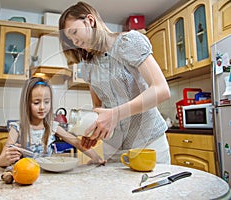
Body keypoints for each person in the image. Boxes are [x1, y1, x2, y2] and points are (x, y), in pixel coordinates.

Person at [58, 2, 171, 163]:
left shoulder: (129, 42)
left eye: (74, 32)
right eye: (70, 39)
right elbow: (99, 109)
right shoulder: (88, 67)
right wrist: (95, 132)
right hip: (114, 150)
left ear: (89, 20)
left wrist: (115, 114)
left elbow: (161, 90)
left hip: (149, 144)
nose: (75, 42)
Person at [0, 77, 106, 167]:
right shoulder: (17, 128)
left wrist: (96, 158)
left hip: (47, 176)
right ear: (26, 104)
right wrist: (5, 159)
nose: (42, 107)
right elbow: (0, 161)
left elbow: (77, 143)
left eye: (47, 102)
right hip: (26, 173)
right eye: (36, 102)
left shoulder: (52, 126)